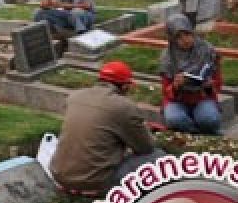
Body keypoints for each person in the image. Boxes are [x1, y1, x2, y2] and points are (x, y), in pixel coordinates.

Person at [50, 61, 161, 193]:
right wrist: (143, 129)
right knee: (158, 156)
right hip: (95, 181)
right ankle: (95, 188)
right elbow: (145, 147)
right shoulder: (124, 106)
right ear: (125, 86)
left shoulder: (75, 96)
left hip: (59, 175)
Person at [159, 15, 222, 135]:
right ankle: (197, 133)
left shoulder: (207, 51)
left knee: (210, 120)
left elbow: (218, 83)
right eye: (179, 37)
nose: (185, 40)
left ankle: (198, 129)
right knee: (174, 119)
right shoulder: (167, 58)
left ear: (192, 32)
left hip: (202, 97)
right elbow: (165, 91)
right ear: (172, 39)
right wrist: (175, 86)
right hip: (178, 100)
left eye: (187, 34)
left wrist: (209, 85)